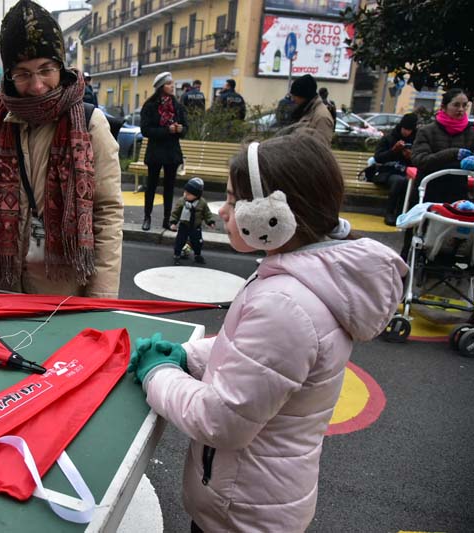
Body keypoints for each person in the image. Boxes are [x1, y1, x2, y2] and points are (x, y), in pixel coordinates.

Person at [127, 133, 406, 532]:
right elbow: (249, 357)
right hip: (257, 498)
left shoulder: (285, 306)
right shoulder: (300, 275)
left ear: (273, 215)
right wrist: (188, 356)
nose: (223, 211)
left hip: (241, 513)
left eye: (233, 200)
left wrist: (158, 373)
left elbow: (222, 421)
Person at [0, 0, 123, 298]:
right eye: (23, 73)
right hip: (1, 285)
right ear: (9, 74)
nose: (36, 85)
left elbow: (106, 214)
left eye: (46, 69)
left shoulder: (89, 123)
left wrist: (100, 300)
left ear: (61, 65)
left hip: (61, 292)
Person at [402, 88, 474, 259]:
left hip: (457, 190)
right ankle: (407, 262)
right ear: (444, 107)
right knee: (419, 232)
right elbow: (420, 160)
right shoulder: (427, 131)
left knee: (454, 232)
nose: (461, 109)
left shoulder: (471, 132)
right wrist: (453, 153)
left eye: (465, 105)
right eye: (456, 105)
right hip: (429, 188)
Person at [140, 71, 188, 231]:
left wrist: (180, 129)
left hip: (172, 153)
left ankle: (167, 219)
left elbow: (185, 127)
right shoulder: (150, 105)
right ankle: (147, 217)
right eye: (168, 84)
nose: (172, 86)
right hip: (155, 152)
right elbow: (145, 130)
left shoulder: (177, 106)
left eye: (172, 83)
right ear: (161, 87)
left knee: (169, 188)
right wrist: (167, 130)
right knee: (151, 186)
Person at [373, 113, 418, 225]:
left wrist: (410, 157)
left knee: (407, 181)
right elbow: (378, 158)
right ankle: (390, 212)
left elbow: (419, 161)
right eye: (404, 128)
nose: (406, 132)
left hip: (407, 172)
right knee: (399, 181)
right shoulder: (389, 138)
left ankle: (401, 213)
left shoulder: (416, 140)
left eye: (409, 130)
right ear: (401, 126)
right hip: (387, 172)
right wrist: (393, 151)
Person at [169, 177, 215, 265]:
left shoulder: (202, 203)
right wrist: (173, 222)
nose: (185, 195)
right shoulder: (182, 201)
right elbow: (175, 213)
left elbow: (207, 213)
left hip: (195, 226)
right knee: (180, 241)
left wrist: (210, 222)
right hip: (184, 225)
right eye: (185, 192)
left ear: (197, 195)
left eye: (189, 194)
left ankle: (197, 255)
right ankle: (177, 255)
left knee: (197, 242)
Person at [279, 74, 334, 146]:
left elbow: (321, 148)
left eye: (295, 96)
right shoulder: (306, 111)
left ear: (304, 95)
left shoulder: (322, 117)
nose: (292, 99)